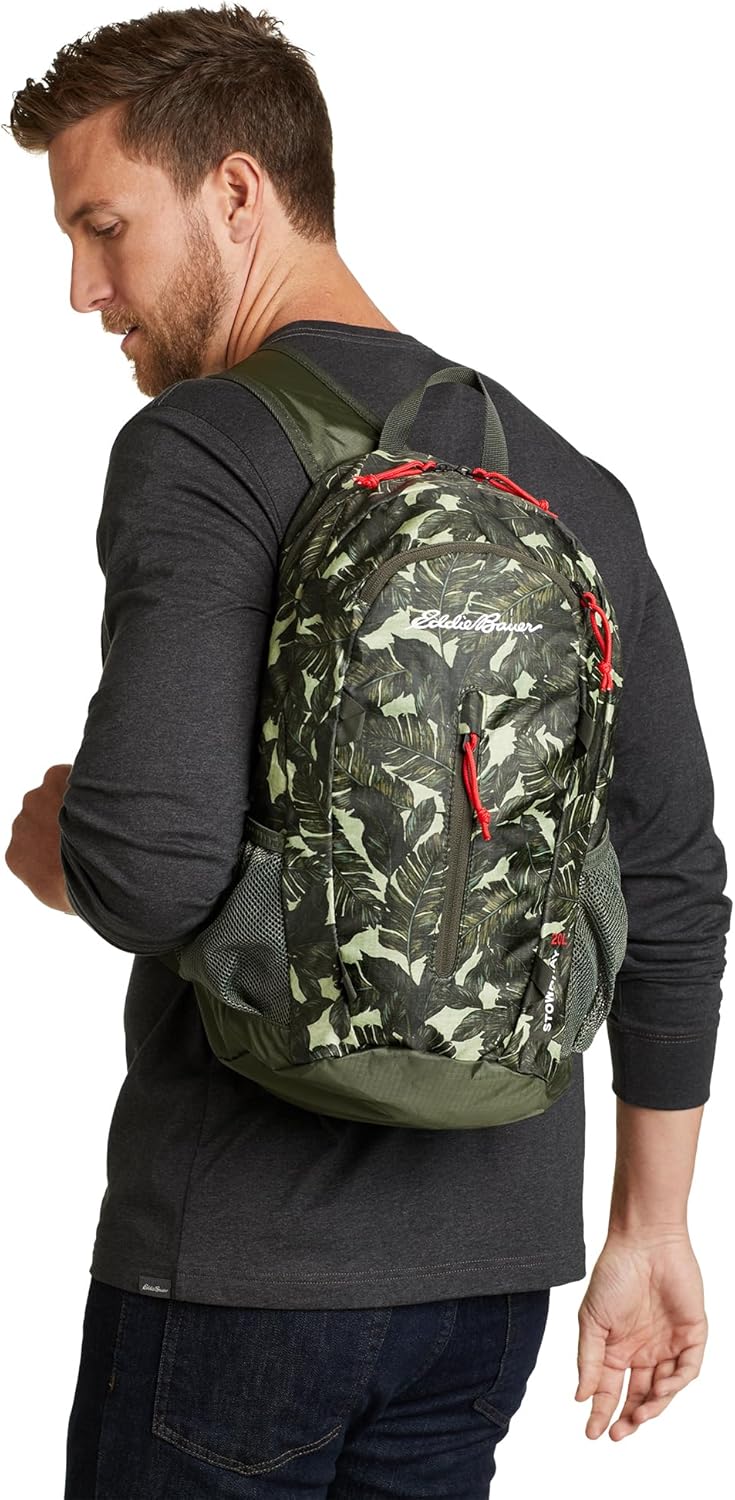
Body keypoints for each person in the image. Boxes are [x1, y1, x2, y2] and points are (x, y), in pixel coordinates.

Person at [5, 6, 730, 1498]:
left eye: (102, 227)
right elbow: (672, 882)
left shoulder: (205, 445)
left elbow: (148, 867)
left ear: (237, 192)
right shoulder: (567, 481)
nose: (82, 289)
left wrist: (59, 842)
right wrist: (650, 1231)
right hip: (489, 1292)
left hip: (236, 1277)